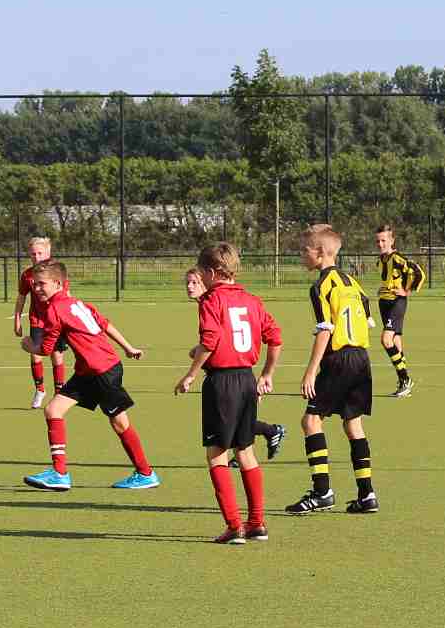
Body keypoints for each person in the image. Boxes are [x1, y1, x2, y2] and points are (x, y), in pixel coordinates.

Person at [174, 241, 282, 544]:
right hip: (247, 380)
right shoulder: (252, 300)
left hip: (221, 383)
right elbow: (275, 338)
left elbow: (210, 340)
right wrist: (267, 374)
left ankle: (234, 526)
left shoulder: (211, 300)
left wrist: (190, 374)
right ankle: (257, 523)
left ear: (211, 272)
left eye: (201, 273)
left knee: (216, 454)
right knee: (245, 452)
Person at [20, 260, 158, 493]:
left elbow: (46, 349)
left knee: (120, 422)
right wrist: (127, 347)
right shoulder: (77, 303)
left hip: (101, 370)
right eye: (35, 284)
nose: (37, 288)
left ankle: (145, 473)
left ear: (58, 283)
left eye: (42, 284)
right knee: (53, 410)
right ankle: (59, 474)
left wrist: (29, 346)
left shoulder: (54, 309)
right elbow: (105, 324)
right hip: (90, 370)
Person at [287, 224, 380, 516]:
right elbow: (368, 320)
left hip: (339, 359)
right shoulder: (353, 283)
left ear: (320, 252)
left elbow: (326, 330)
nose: (302, 255)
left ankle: (322, 492)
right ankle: (367, 495)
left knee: (311, 421)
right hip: (361, 357)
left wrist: (311, 370)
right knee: (353, 424)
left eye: (304, 250)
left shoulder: (320, 286)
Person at [371, 223, 420, 398]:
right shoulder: (380, 261)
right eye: (378, 241)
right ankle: (403, 383)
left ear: (392, 241)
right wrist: (383, 289)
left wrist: (406, 291)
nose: (380, 244)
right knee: (395, 339)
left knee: (386, 340)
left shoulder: (398, 258)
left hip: (396, 303)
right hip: (384, 303)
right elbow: (390, 280)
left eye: (383, 240)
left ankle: (405, 378)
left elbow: (417, 272)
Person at [11, 234, 58, 408]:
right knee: (35, 353)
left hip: (56, 321)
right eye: (33, 254)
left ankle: (59, 393)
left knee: (56, 355)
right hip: (37, 321)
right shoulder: (27, 275)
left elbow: (66, 296)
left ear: (48, 253)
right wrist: (17, 319)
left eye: (40, 253)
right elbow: (21, 297)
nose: (36, 257)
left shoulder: (56, 272)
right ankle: (40, 390)